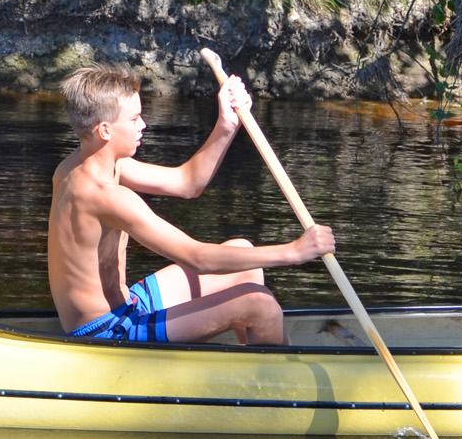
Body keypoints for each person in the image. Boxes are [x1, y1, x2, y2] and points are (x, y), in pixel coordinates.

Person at [48, 65, 333, 344]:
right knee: (262, 306)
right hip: (106, 332)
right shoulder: (104, 196)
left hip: (129, 303)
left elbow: (188, 183)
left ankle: (251, 362)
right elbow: (198, 258)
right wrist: (294, 251)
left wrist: (226, 125)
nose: (143, 125)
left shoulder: (85, 164)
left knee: (244, 257)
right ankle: (278, 384)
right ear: (105, 130)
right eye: (134, 119)